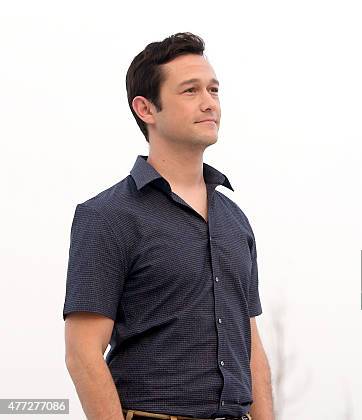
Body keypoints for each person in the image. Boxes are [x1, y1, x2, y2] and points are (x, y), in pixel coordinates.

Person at [63, 32, 274, 420]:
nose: (209, 102)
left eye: (213, 89)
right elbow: (82, 352)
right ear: (146, 109)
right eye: (190, 91)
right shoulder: (108, 216)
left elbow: (251, 345)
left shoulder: (235, 221)